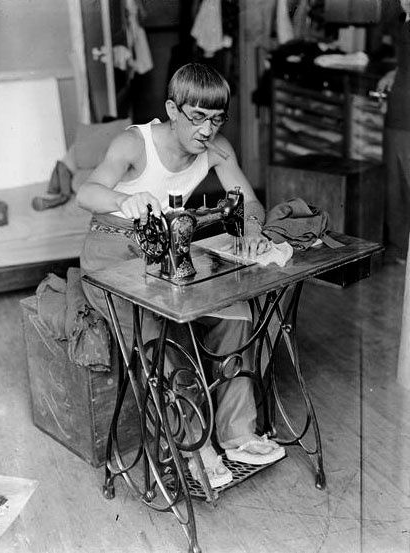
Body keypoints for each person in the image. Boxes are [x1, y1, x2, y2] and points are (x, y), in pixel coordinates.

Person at [76, 62, 285, 488]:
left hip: (165, 253)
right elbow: (86, 192)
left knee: (238, 314)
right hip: (112, 254)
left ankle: (237, 434)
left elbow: (250, 203)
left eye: (217, 118)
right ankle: (194, 447)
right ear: (172, 109)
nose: (208, 130)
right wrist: (123, 200)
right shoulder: (135, 143)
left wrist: (252, 233)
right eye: (197, 118)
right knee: (158, 334)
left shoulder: (216, 147)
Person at [377, 0, 410, 263]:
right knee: (395, 184)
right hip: (398, 112)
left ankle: (402, 249)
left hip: (406, 118)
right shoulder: (404, 23)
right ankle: (400, 249)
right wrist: (395, 72)